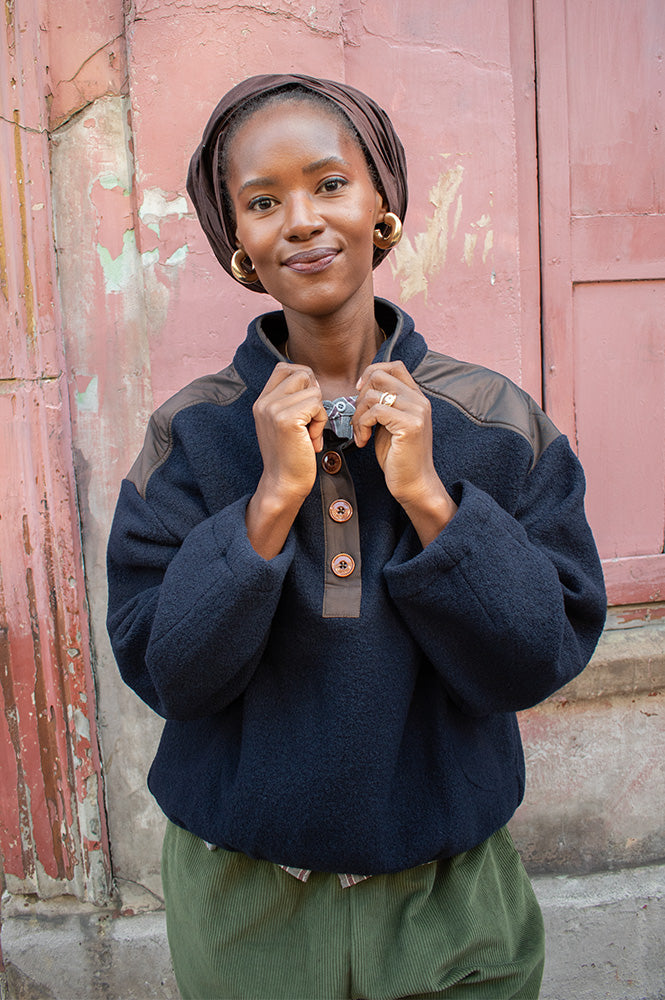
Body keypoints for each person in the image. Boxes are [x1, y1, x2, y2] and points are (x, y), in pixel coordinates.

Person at [106, 74, 606, 1000]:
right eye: (262, 203)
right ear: (239, 249)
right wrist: (269, 502)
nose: (300, 220)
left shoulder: (493, 423)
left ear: (382, 209)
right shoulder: (194, 436)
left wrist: (426, 497)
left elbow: (536, 657)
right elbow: (165, 672)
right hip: (243, 899)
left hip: (448, 891)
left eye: (330, 184)